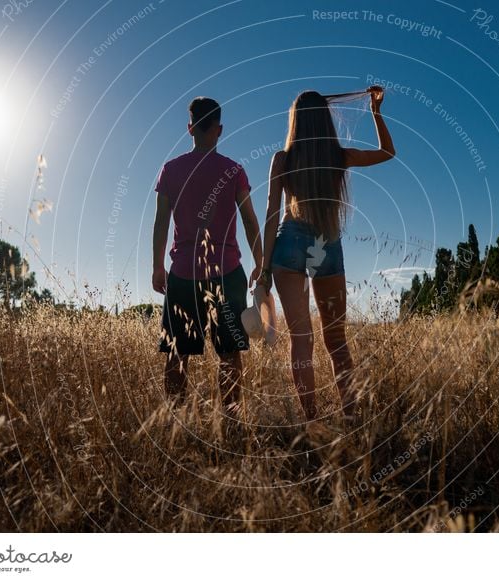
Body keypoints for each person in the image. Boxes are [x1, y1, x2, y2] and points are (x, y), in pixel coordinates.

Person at [257, 86, 395, 422]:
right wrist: (376, 112)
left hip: (287, 246)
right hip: (327, 245)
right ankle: (351, 418)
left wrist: (262, 267)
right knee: (336, 340)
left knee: (301, 341)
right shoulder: (339, 156)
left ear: (296, 122)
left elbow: (272, 214)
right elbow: (387, 152)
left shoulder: (282, 159)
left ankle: (312, 422)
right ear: (325, 121)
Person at [152, 96, 263, 411]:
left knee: (178, 355)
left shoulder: (170, 170)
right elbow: (250, 219)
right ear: (220, 129)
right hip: (227, 276)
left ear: (189, 128)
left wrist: (157, 266)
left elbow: (161, 221)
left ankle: (176, 421)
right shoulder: (234, 170)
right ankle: (231, 423)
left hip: (184, 276)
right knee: (229, 354)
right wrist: (261, 262)